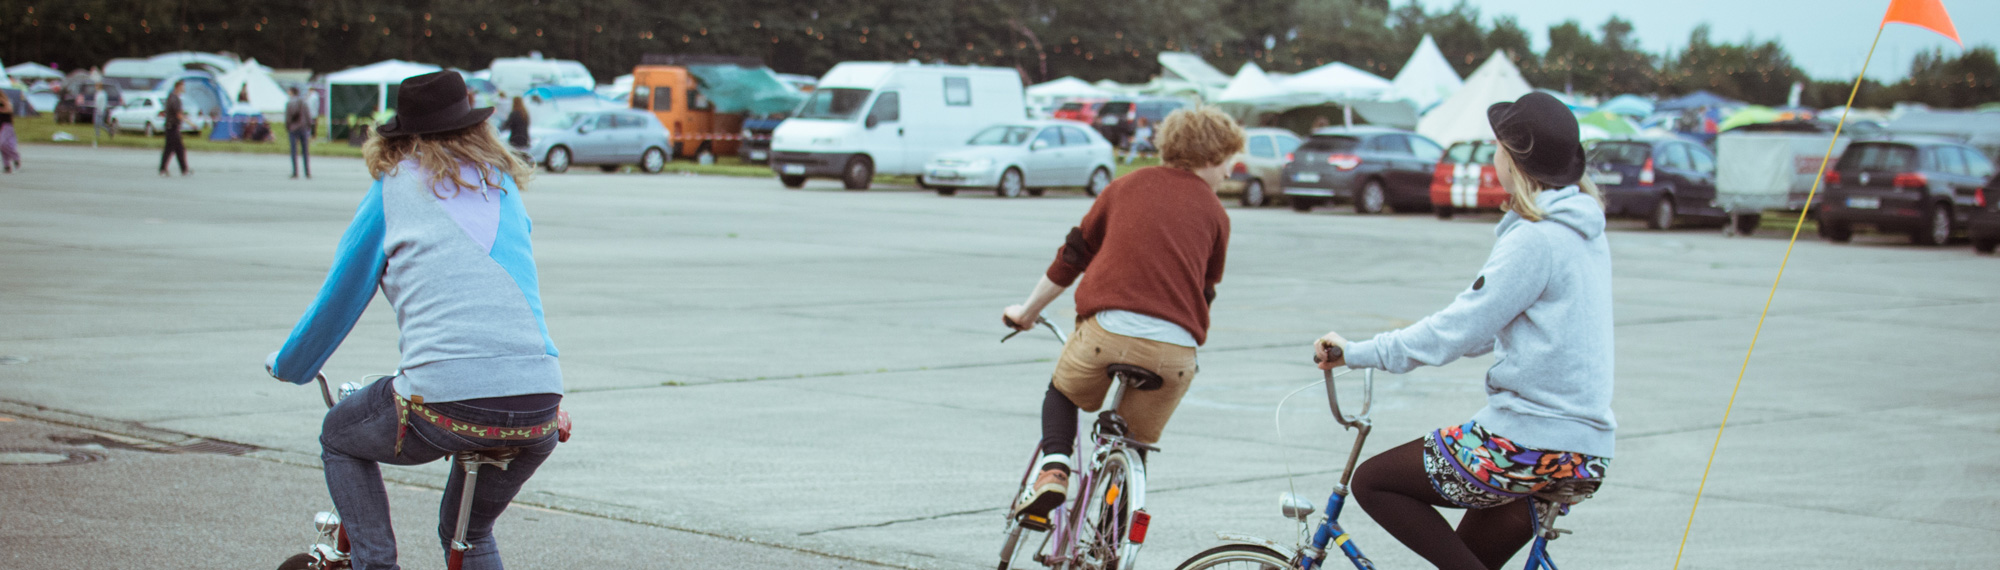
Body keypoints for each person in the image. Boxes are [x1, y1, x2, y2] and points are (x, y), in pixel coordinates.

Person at [265, 71, 559, 570]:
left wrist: (291, 365)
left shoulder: (394, 188)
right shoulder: (502, 184)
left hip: (447, 397)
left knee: (339, 433)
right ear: (477, 129)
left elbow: (340, 298)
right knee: (468, 534)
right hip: (540, 402)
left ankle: (376, 563)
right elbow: (516, 291)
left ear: (402, 138)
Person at [1311, 91, 1613, 570]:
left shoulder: (1536, 240)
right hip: (1583, 449)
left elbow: (1454, 330)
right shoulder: (1583, 234)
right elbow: (1483, 333)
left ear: (1511, 158)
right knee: (1468, 559)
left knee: (1373, 481)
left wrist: (1359, 352)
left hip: (1526, 445)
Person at [1002, 107, 1239, 519]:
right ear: (1209, 157)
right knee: (1134, 450)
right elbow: (1205, 292)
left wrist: (1026, 313)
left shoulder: (1124, 187)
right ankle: (1111, 547)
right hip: (1175, 354)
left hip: (1107, 333)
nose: (1229, 174)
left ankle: (1054, 470)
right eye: (1227, 163)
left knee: (1061, 391)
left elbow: (1073, 257)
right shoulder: (1217, 214)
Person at [159, 81, 190, 176]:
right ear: (177, 87)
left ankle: (183, 170)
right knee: (172, 149)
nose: (184, 88)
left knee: (178, 149)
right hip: (172, 127)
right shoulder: (174, 99)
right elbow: (178, 114)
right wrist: (190, 123)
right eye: (182, 86)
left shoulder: (172, 97)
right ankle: (164, 169)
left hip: (171, 127)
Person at [286, 87, 313, 179]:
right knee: (305, 151)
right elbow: (308, 116)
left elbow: (288, 117)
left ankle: (295, 172)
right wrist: (309, 126)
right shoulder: (304, 103)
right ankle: (307, 171)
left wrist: (288, 126)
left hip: (293, 129)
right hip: (303, 128)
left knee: (294, 151)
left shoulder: (289, 103)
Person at [0, 91, 20, 173]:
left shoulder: (5, 101)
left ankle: (15, 156)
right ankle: (7, 165)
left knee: (2, 144)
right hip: (1, 127)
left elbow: (9, 110)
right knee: (2, 147)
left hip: (7, 126)